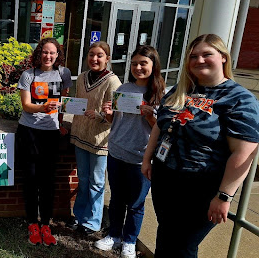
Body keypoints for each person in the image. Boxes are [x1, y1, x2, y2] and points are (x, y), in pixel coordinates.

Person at [141, 34, 259, 258]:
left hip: (201, 186)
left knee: (183, 246)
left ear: (223, 57)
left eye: (207, 54)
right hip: (165, 177)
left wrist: (224, 196)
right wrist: (148, 159)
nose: (199, 60)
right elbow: (160, 126)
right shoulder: (181, 90)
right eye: (193, 56)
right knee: (166, 235)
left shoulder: (239, 99)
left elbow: (244, 152)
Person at [95, 45, 165, 258]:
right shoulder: (123, 89)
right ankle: (114, 235)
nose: (138, 67)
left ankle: (130, 241)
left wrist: (150, 116)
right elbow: (114, 121)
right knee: (116, 198)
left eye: (143, 63)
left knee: (136, 203)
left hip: (140, 157)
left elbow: (162, 131)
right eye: (134, 63)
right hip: (117, 152)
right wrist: (108, 113)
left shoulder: (161, 95)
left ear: (153, 65)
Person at [16, 37, 72, 246]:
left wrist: (61, 123)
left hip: (51, 134)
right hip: (29, 131)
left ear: (58, 55)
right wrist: (43, 108)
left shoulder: (63, 74)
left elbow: (64, 102)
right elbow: (26, 105)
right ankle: (32, 223)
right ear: (39, 53)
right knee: (31, 180)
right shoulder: (28, 75)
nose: (48, 56)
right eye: (45, 52)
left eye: (53, 52)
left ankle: (46, 224)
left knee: (48, 180)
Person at [68, 41, 121, 235]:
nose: (95, 59)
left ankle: (92, 222)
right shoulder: (82, 77)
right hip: (81, 135)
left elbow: (116, 115)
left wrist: (99, 115)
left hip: (100, 141)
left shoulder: (113, 82)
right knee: (83, 179)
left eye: (99, 55)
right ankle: (79, 217)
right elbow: (77, 103)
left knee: (96, 182)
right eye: (91, 54)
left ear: (107, 59)